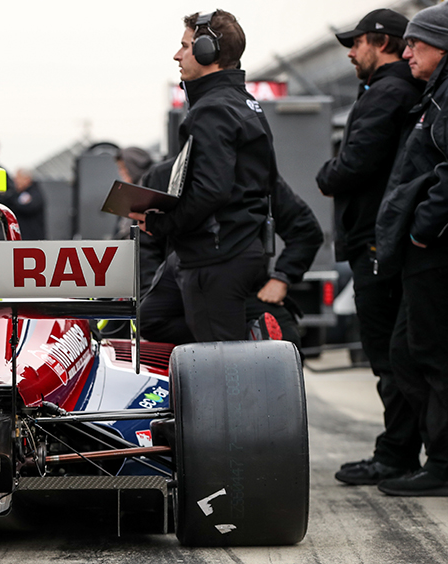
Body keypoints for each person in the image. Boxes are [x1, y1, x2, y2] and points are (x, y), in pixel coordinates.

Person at [315, 9, 425, 486]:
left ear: (381, 42)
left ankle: (398, 453)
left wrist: (327, 173)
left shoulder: (388, 93)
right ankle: (399, 448)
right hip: (384, 237)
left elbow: (353, 164)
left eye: (355, 42)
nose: (349, 51)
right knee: (396, 354)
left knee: (387, 355)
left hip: (377, 240)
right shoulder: (396, 91)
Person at [130, 10, 274, 342]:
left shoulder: (212, 110)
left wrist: (159, 223)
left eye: (185, 46)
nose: (177, 55)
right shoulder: (244, 104)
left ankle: (249, 339)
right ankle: (249, 334)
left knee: (224, 369)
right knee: (151, 318)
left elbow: (210, 190)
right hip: (233, 249)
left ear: (208, 51)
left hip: (218, 256)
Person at [375, 3, 448, 497]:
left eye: (415, 45)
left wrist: (423, 227)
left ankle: (442, 465)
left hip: (435, 251)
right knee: (408, 354)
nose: (406, 53)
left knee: (432, 357)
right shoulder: (435, 95)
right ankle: (434, 456)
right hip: (423, 251)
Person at [139, 170, 323, 349]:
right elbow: (145, 248)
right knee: (149, 320)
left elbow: (306, 230)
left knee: (285, 341)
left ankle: (242, 341)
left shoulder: (256, 175)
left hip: (244, 288)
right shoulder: (163, 176)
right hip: (183, 290)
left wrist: (282, 277)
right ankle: (242, 339)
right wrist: (154, 290)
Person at [8, 169, 47, 240]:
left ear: (27, 179)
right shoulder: (16, 194)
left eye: (18, 178)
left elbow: (27, 207)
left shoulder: (34, 194)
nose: (15, 182)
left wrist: (12, 201)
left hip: (33, 238)